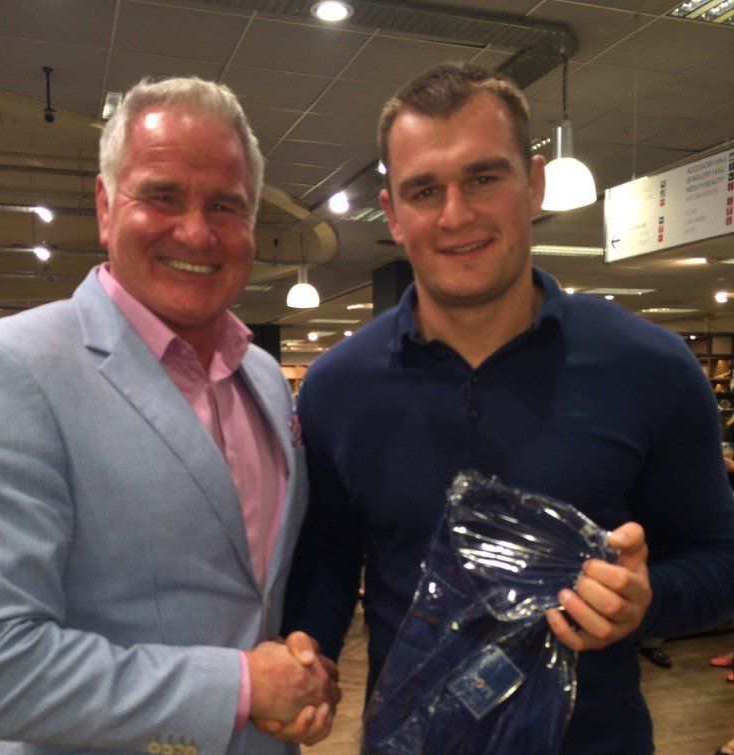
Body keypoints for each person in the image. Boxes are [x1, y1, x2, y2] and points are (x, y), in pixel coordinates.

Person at [282, 62, 734, 753]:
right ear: (394, 214)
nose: (456, 213)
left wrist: (650, 600)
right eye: (424, 190)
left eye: (484, 178)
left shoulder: (651, 367)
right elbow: (330, 559)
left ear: (536, 184)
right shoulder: (339, 387)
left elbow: (720, 557)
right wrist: (305, 649)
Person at [0, 77, 339, 754]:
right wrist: (243, 687)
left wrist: (299, 668)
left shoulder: (259, 373)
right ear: (107, 207)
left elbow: (253, 596)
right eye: (163, 196)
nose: (196, 231)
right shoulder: (12, 369)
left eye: (226, 205)